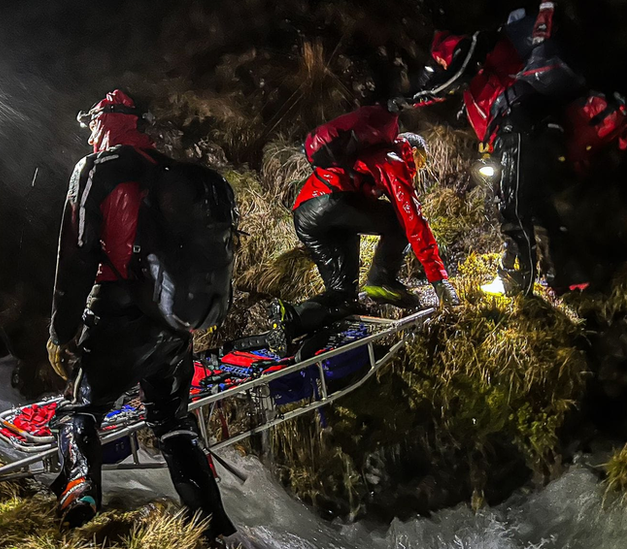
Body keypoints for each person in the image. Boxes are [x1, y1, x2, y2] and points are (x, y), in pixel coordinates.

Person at [47, 90, 236, 544]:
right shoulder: (168, 172)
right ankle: (212, 521)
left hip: (118, 311)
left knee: (81, 407)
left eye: (92, 120)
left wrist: (61, 330)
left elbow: (76, 255)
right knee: (172, 422)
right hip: (173, 321)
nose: (88, 128)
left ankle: (80, 491)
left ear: (106, 121)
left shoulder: (96, 169)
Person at [398, 3, 586, 295]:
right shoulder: (493, 67)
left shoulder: (478, 43)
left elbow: (456, 71)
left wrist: (416, 94)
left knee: (511, 204)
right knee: (539, 207)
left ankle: (514, 282)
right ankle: (567, 276)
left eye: (440, 58)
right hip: (537, 128)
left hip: (518, 125)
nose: (441, 62)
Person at [276, 107, 458, 340]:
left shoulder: (370, 157)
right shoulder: (393, 155)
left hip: (307, 215)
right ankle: (381, 280)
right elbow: (412, 219)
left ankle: (290, 321)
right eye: (420, 161)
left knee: (342, 294)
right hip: (334, 199)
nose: (419, 169)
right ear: (412, 150)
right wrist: (439, 279)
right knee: (399, 220)